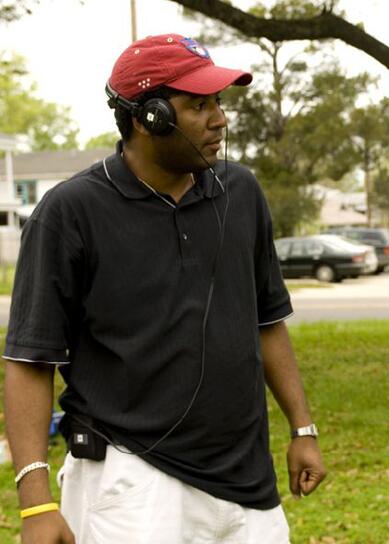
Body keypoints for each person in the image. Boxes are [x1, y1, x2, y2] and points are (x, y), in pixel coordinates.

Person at [4, 34, 325, 543]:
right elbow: (29, 361)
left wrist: (301, 428)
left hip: (247, 483)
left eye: (218, 102)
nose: (219, 118)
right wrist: (36, 501)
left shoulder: (240, 192)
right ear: (147, 117)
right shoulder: (69, 213)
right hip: (131, 484)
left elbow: (267, 321)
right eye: (199, 105)